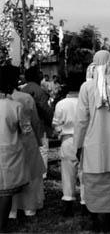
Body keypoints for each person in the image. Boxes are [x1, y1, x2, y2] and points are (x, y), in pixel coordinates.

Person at [74, 50, 110, 232]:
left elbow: (81, 121)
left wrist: (77, 145)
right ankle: (108, 222)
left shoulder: (86, 88)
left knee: (93, 184)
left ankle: (96, 222)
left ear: (94, 63)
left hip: (91, 147)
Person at [7, 66, 45, 219]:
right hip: (27, 139)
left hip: (7, 140)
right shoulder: (25, 98)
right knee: (31, 174)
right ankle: (30, 207)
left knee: (11, 174)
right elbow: (35, 122)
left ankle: (12, 210)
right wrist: (38, 139)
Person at [0, 66, 30, 232]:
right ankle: (2, 226)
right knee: (5, 191)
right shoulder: (16, 106)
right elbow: (26, 130)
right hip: (10, 151)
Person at [53, 73, 86, 217]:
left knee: (67, 173)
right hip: (85, 140)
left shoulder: (61, 104)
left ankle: (68, 203)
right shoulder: (85, 103)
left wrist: (60, 132)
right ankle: (85, 203)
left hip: (67, 140)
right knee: (85, 172)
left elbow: (56, 124)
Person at [22, 67, 54, 179]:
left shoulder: (23, 89)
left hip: (25, 123)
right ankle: (43, 173)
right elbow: (45, 109)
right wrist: (51, 122)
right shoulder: (39, 91)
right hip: (39, 123)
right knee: (43, 148)